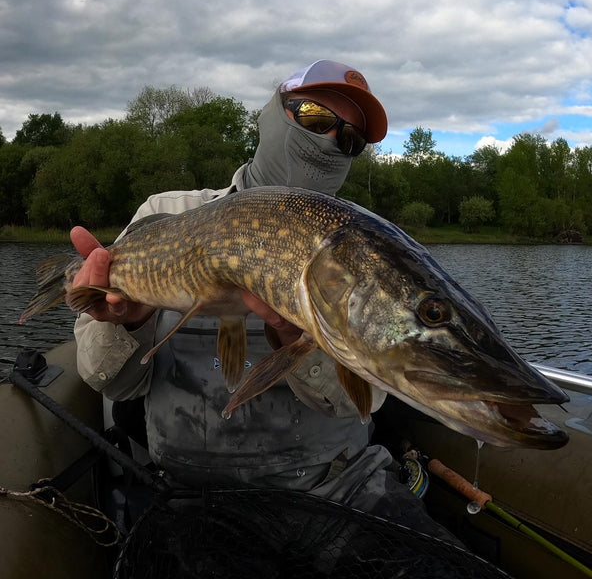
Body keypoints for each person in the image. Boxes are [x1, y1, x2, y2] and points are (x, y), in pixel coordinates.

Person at [71, 60, 458, 544]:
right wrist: (128, 323)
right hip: (191, 499)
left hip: (339, 490)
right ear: (274, 115)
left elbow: (349, 406)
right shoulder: (165, 215)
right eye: (316, 117)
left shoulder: (361, 252)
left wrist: (294, 335)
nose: (332, 141)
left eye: (351, 140)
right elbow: (112, 383)